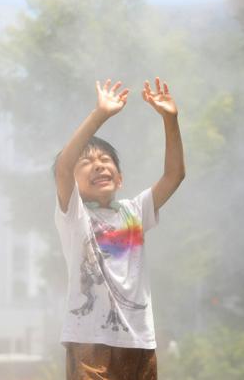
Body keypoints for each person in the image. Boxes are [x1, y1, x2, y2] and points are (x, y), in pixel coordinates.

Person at [54, 77, 185, 379]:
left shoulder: (134, 211)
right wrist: (100, 114)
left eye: (105, 160)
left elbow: (175, 174)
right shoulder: (74, 215)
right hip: (89, 341)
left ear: (120, 178)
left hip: (138, 341)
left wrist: (170, 119)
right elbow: (63, 166)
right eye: (86, 162)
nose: (99, 165)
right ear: (73, 183)